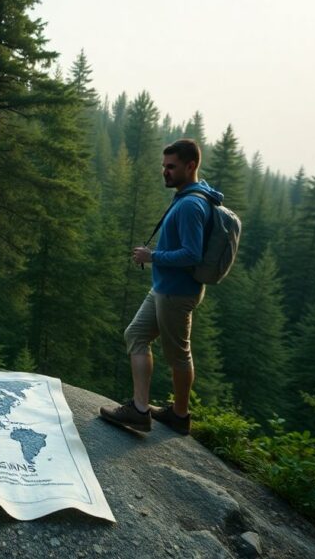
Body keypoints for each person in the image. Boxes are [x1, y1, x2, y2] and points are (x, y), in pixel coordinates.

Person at [99, 138, 223, 435]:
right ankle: (141, 410)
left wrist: (152, 256)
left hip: (176, 293)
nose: (165, 171)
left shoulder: (192, 204)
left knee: (179, 355)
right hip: (165, 288)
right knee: (136, 334)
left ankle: (179, 415)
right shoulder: (190, 195)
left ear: (191, 166)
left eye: (172, 166)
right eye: (163, 166)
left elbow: (191, 254)